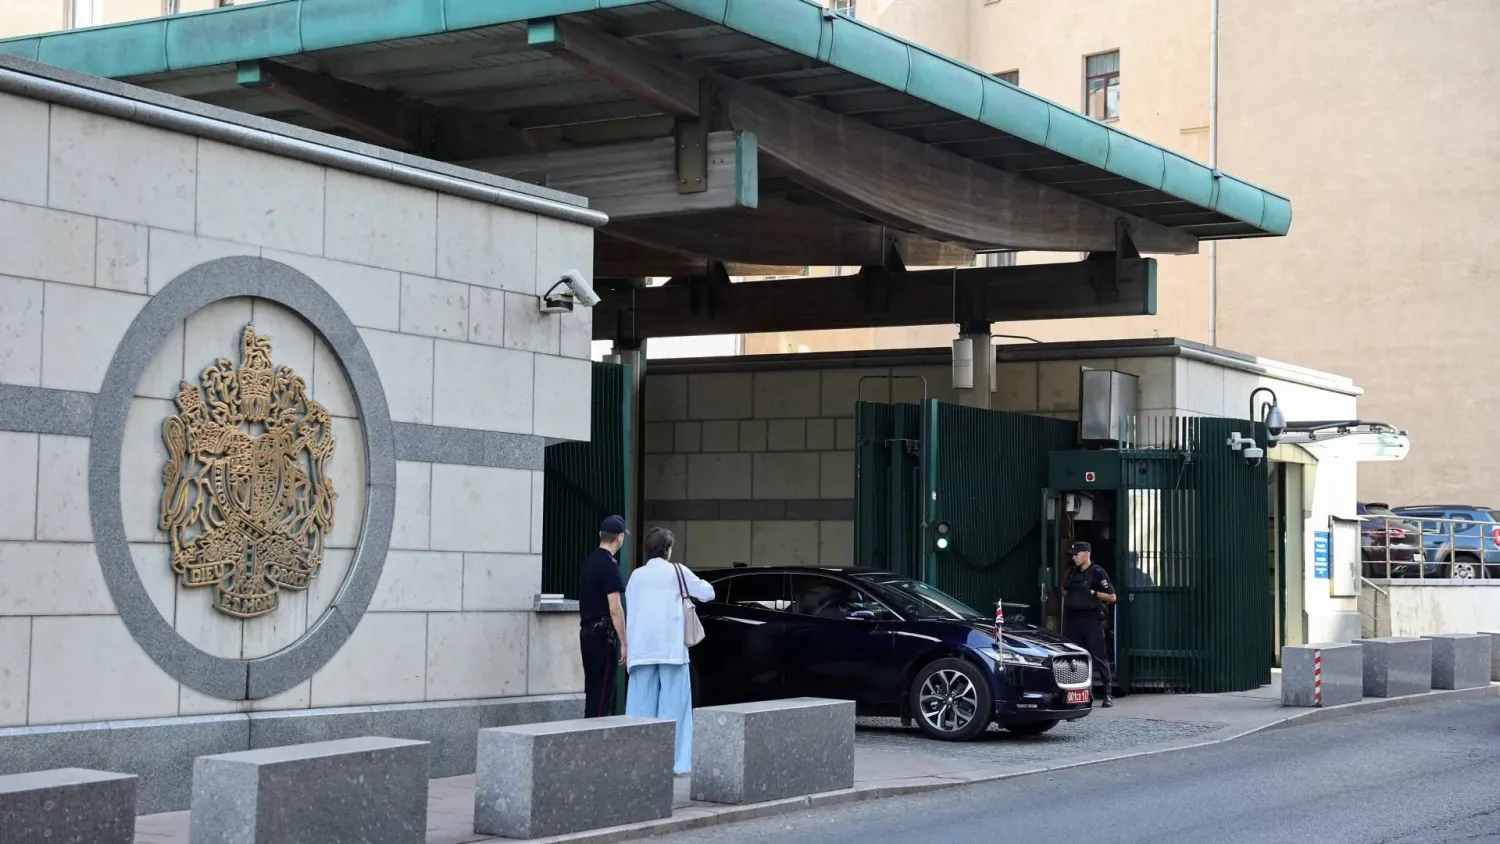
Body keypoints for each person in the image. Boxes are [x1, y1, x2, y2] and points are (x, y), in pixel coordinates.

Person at [624, 527, 714, 775]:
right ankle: (676, 763)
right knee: (675, 710)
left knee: (639, 710)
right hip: (671, 648)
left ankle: (639, 761)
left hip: (642, 649)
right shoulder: (678, 571)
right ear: (668, 550)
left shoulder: (636, 576)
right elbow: (708, 593)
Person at [578, 515, 629, 718]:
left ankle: (589, 733)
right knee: (602, 694)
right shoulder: (609, 565)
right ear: (619, 538)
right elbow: (615, 608)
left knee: (593, 690)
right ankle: (595, 739)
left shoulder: (589, 561)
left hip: (587, 632)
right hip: (603, 635)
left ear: (601, 535)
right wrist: (624, 642)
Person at [1062, 540, 1116, 707]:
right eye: (1073, 555)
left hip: (1091, 620)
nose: (1074, 558)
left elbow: (1112, 597)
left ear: (1087, 554)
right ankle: (1077, 694)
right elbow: (1065, 590)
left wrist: (1094, 594)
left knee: (1099, 657)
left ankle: (1107, 694)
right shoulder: (1072, 573)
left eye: (1077, 554)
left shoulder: (1098, 573)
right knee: (1075, 658)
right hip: (1073, 620)